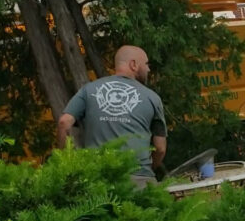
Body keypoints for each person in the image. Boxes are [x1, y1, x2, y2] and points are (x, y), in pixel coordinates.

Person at [57, 45, 167, 189]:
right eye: (146, 64)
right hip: (139, 180)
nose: (148, 69)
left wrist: (67, 162)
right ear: (133, 64)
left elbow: (64, 122)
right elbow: (160, 148)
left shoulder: (89, 90)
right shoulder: (152, 98)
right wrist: (147, 170)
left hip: (97, 179)